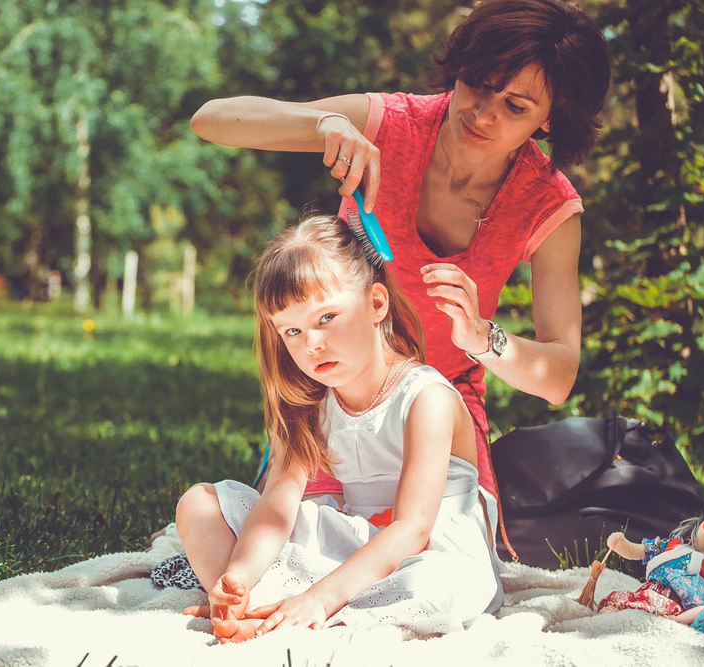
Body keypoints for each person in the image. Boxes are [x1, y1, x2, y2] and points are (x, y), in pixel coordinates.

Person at [190, 0, 612, 526]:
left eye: (515, 106)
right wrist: (323, 124)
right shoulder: (390, 124)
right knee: (297, 544)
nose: (483, 114)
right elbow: (211, 120)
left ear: (551, 118)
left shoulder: (548, 203)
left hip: (440, 415)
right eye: (478, 84)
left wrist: (483, 338)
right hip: (333, 400)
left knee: (426, 558)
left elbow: (558, 376)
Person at [174, 215, 501, 643]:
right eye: (292, 330)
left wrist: (321, 596)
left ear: (376, 304)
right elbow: (276, 506)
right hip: (358, 542)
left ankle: (308, 606)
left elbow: (412, 530)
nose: (312, 344)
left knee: (434, 589)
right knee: (198, 505)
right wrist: (238, 574)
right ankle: (247, 607)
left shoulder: (427, 398)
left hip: (429, 554)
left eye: (326, 317)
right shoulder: (310, 403)